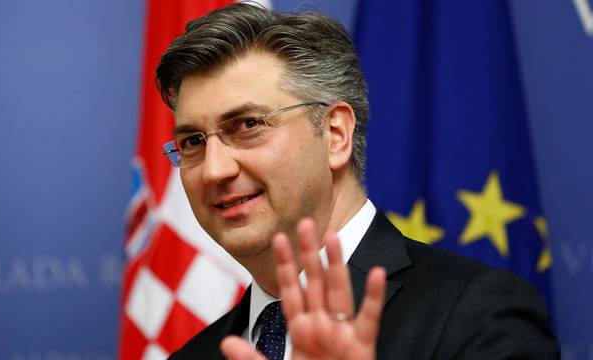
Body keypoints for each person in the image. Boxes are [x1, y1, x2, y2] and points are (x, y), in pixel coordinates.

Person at [156, 3, 559, 359]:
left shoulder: (478, 314)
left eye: (247, 125)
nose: (214, 169)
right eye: (192, 141)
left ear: (335, 135)